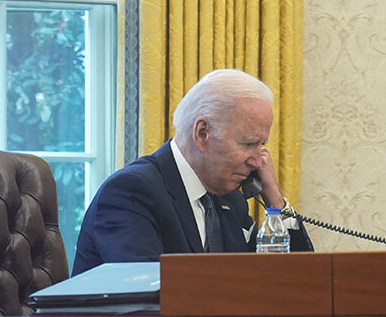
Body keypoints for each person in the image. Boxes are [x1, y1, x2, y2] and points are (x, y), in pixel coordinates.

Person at [73, 69, 312, 275]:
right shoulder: (131, 193)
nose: (258, 161)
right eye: (248, 144)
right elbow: (145, 294)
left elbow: (295, 282)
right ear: (202, 133)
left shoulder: (231, 200)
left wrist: (274, 200)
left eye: (262, 145)